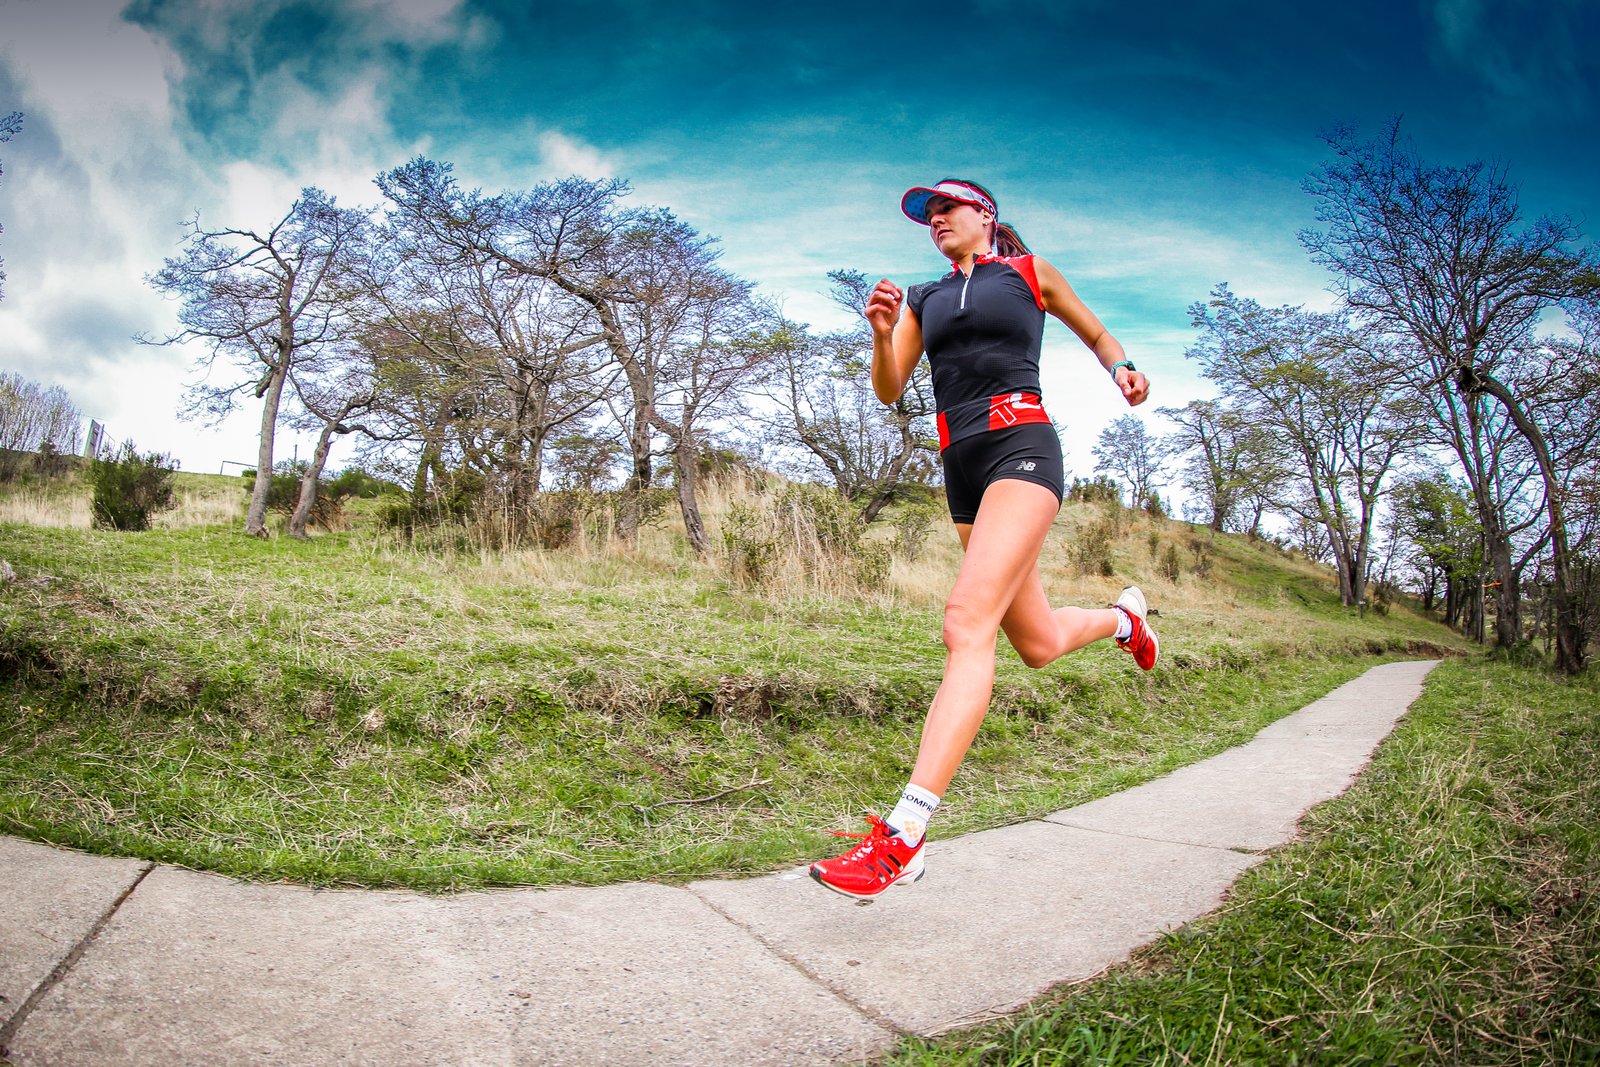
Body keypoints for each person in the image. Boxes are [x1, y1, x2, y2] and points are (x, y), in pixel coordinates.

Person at [808, 178, 1160, 900]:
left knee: (967, 622)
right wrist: (881, 334)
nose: (935, 220)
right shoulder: (922, 297)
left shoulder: (1029, 274)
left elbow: (1094, 330)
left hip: (1022, 449)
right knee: (1036, 643)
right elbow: (890, 386)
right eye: (927, 214)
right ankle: (1125, 619)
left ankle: (905, 835)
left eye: (946, 208)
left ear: (984, 216)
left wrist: (1121, 364)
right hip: (960, 468)